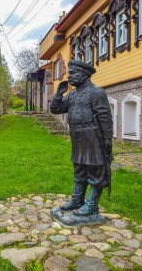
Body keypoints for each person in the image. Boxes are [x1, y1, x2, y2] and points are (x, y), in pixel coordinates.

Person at [50, 59, 113, 226]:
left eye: (73, 74)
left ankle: (91, 206)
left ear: (84, 75)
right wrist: (58, 94)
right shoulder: (72, 94)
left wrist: (107, 138)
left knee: (95, 170)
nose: (69, 77)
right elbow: (55, 109)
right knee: (79, 169)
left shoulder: (96, 92)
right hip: (77, 137)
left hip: (93, 137)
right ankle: (77, 200)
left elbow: (105, 117)